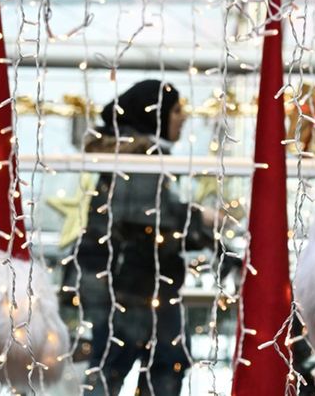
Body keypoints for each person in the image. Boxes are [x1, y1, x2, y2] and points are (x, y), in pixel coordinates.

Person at [76, 81, 215, 395]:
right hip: (134, 292)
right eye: (177, 109)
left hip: (134, 288)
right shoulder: (139, 157)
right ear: (156, 114)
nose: (184, 117)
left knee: (117, 368)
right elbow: (147, 217)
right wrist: (200, 218)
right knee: (158, 366)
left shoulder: (135, 154)